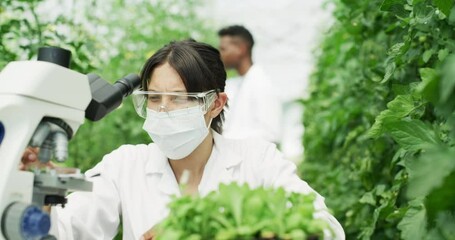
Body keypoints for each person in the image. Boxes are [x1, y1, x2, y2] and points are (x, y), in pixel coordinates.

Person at [21, 39, 344, 240]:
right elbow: (65, 233)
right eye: (154, 98)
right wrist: (39, 193)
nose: (162, 110)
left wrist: (212, 230)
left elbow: (327, 229)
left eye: (179, 99)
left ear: (215, 103)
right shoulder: (126, 164)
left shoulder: (258, 160)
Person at [218, 25, 282, 145]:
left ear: (241, 49)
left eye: (223, 49)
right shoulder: (235, 84)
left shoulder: (262, 83)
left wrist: (224, 139)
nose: (220, 54)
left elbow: (270, 134)